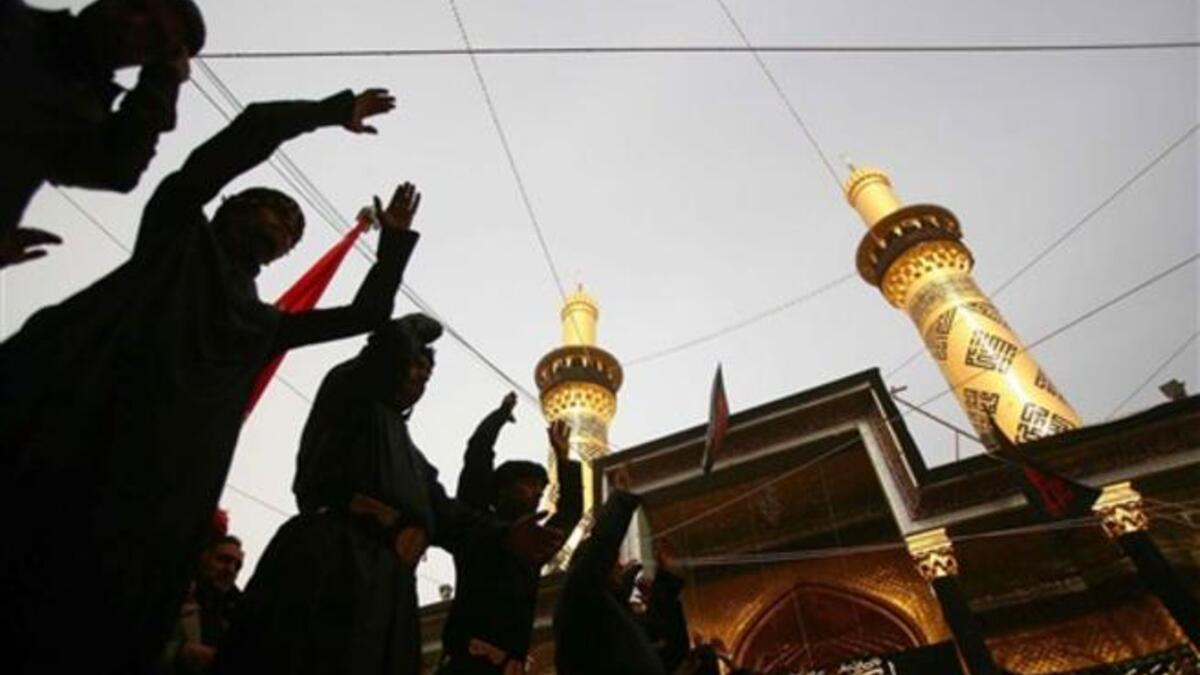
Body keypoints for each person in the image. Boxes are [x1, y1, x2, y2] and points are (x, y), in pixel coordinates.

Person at [0, 86, 407, 675]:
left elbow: (364, 317)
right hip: (79, 431)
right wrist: (328, 112)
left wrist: (393, 244)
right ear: (229, 211)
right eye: (271, 210)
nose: (281, 227)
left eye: (291, 228)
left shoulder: (263, 324)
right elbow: (247, 132)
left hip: (157, 488)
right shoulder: (177, 235)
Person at [216, 315, 566, 675]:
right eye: (414, 367)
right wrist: (416, 333)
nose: (419, 379)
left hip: (388, 589)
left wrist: (505, 534)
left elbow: (449, 514)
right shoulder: (351, 398)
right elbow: (384, 353)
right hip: (334, 563)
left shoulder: (413, 460)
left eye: (427, 376)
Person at [0, 0, 205, 267]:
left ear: (156, 58)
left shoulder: (84, 113)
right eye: (137, 6)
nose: (135, 23)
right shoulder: (12, 22)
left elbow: (116, 170)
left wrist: (161, 82)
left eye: (154, 35)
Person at [437, 394, 583, 675]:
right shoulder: (476, 527)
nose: (538, 494)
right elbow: (477, 456)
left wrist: (564, 459)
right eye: (529, 485)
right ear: (502, 489)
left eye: (541, 488)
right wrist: (500, 416)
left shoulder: (533, 547)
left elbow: (571, 512)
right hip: (466, 664)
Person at [554, 489, 666, 675]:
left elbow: (659, 645)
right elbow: (600, 547)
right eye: (614, 562)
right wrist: (620, 499)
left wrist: (666, 584)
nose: (621, 566)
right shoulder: (580, 597)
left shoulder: (608, 609)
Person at [163, 534, 246, 675]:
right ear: (203, 558)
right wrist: (179, 654)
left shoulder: (236, 616)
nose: (230, 570)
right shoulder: (171, 594)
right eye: (224, 560)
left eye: (237, 566)